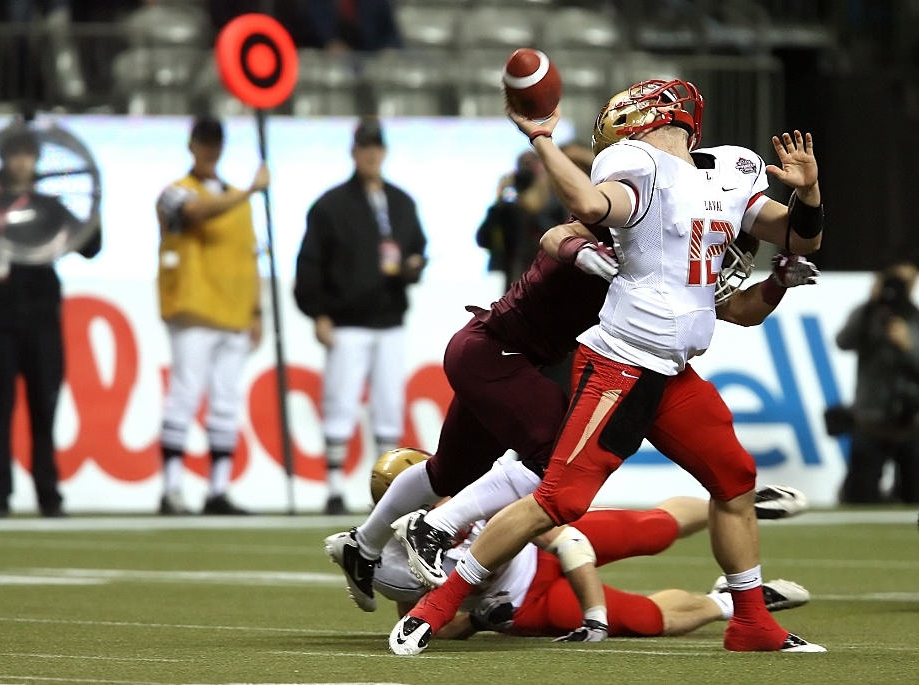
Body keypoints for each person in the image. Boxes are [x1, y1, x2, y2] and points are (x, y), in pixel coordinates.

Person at [389, 79, 825, 654]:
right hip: (619, 362)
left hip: (674, 369)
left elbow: (797, 238)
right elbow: (588, 209)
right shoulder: (636, 166)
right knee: (559, 500)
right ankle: (436, 604)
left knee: (734, 478)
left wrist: (809, 194)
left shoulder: (728, 172)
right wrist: (542, 140)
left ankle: (750, 623)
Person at [327, 226, 816, 614]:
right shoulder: (633, 233)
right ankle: (432, 528)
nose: (716, 266)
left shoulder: (665, 264)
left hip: (496, 354)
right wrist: (581, 250)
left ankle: (363, 544)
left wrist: (775, 284)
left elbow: (734, 310)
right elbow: (557, 234)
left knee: (447, 471)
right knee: (550, 456)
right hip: (497, 352)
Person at [328, 450, 812, 642]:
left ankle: (727, 503)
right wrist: (475, 622)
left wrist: (594, 613)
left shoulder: (477, 497)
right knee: (646, 620)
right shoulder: (394, 556)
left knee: (651, 528)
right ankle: (726, 601)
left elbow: (569, 541)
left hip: (541, 550)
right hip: (525, 601)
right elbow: (426, 625)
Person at [0, 129, 99, 518]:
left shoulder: (49, 206)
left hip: (42, 321)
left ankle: (48, 494)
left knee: (45, 411)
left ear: (36, 160)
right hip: (2, 320)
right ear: (3, 159)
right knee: (0, 411)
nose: (22, 162)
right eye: (15, 155)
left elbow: (90, 247)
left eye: (28, 155)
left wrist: (93, 207)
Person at [295, 117, 427, 515]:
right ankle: (334, 486)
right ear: (354, 152)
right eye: (364, 148)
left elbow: (418, 247)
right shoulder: (331, 205)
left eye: (376, 147)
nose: (371, 154)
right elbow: (311, 262)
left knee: (389, 406)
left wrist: (413, 266)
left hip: (389, 318)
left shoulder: (401, 202)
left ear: (383, 152)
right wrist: (317, 311)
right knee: (340, 401)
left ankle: (385, 489)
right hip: (348, 319)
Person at [155, 116, 269, 516]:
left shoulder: (238, 200)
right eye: (205, 142)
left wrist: (257, 309)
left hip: (233, 312)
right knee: (184, 396)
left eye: (215, 142)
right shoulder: (174, 193)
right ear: (192, 145)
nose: (210, 150)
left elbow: (250, 256)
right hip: (195, 309)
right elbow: (196, 213)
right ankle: (171, 489)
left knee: (225, 401)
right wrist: (251, 191)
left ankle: (216, 490)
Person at [836, 261, 919, 503]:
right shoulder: (867, 315)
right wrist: (871, 305)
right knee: (860, 496)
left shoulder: (915, 319)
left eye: (907, 281)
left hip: (911, 421)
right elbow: (843, 341)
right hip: (870, 419)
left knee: (914, 497)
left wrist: (908, 347)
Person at [476, 150, 567, 287]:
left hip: (543, 276)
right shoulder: (506, 209)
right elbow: (483, 240)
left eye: (532, 163)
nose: (527, 171)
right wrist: (499, 201)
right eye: (523, 164)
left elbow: (558, 237)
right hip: (509, 276)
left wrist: (533, 203)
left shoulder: (555, 202)